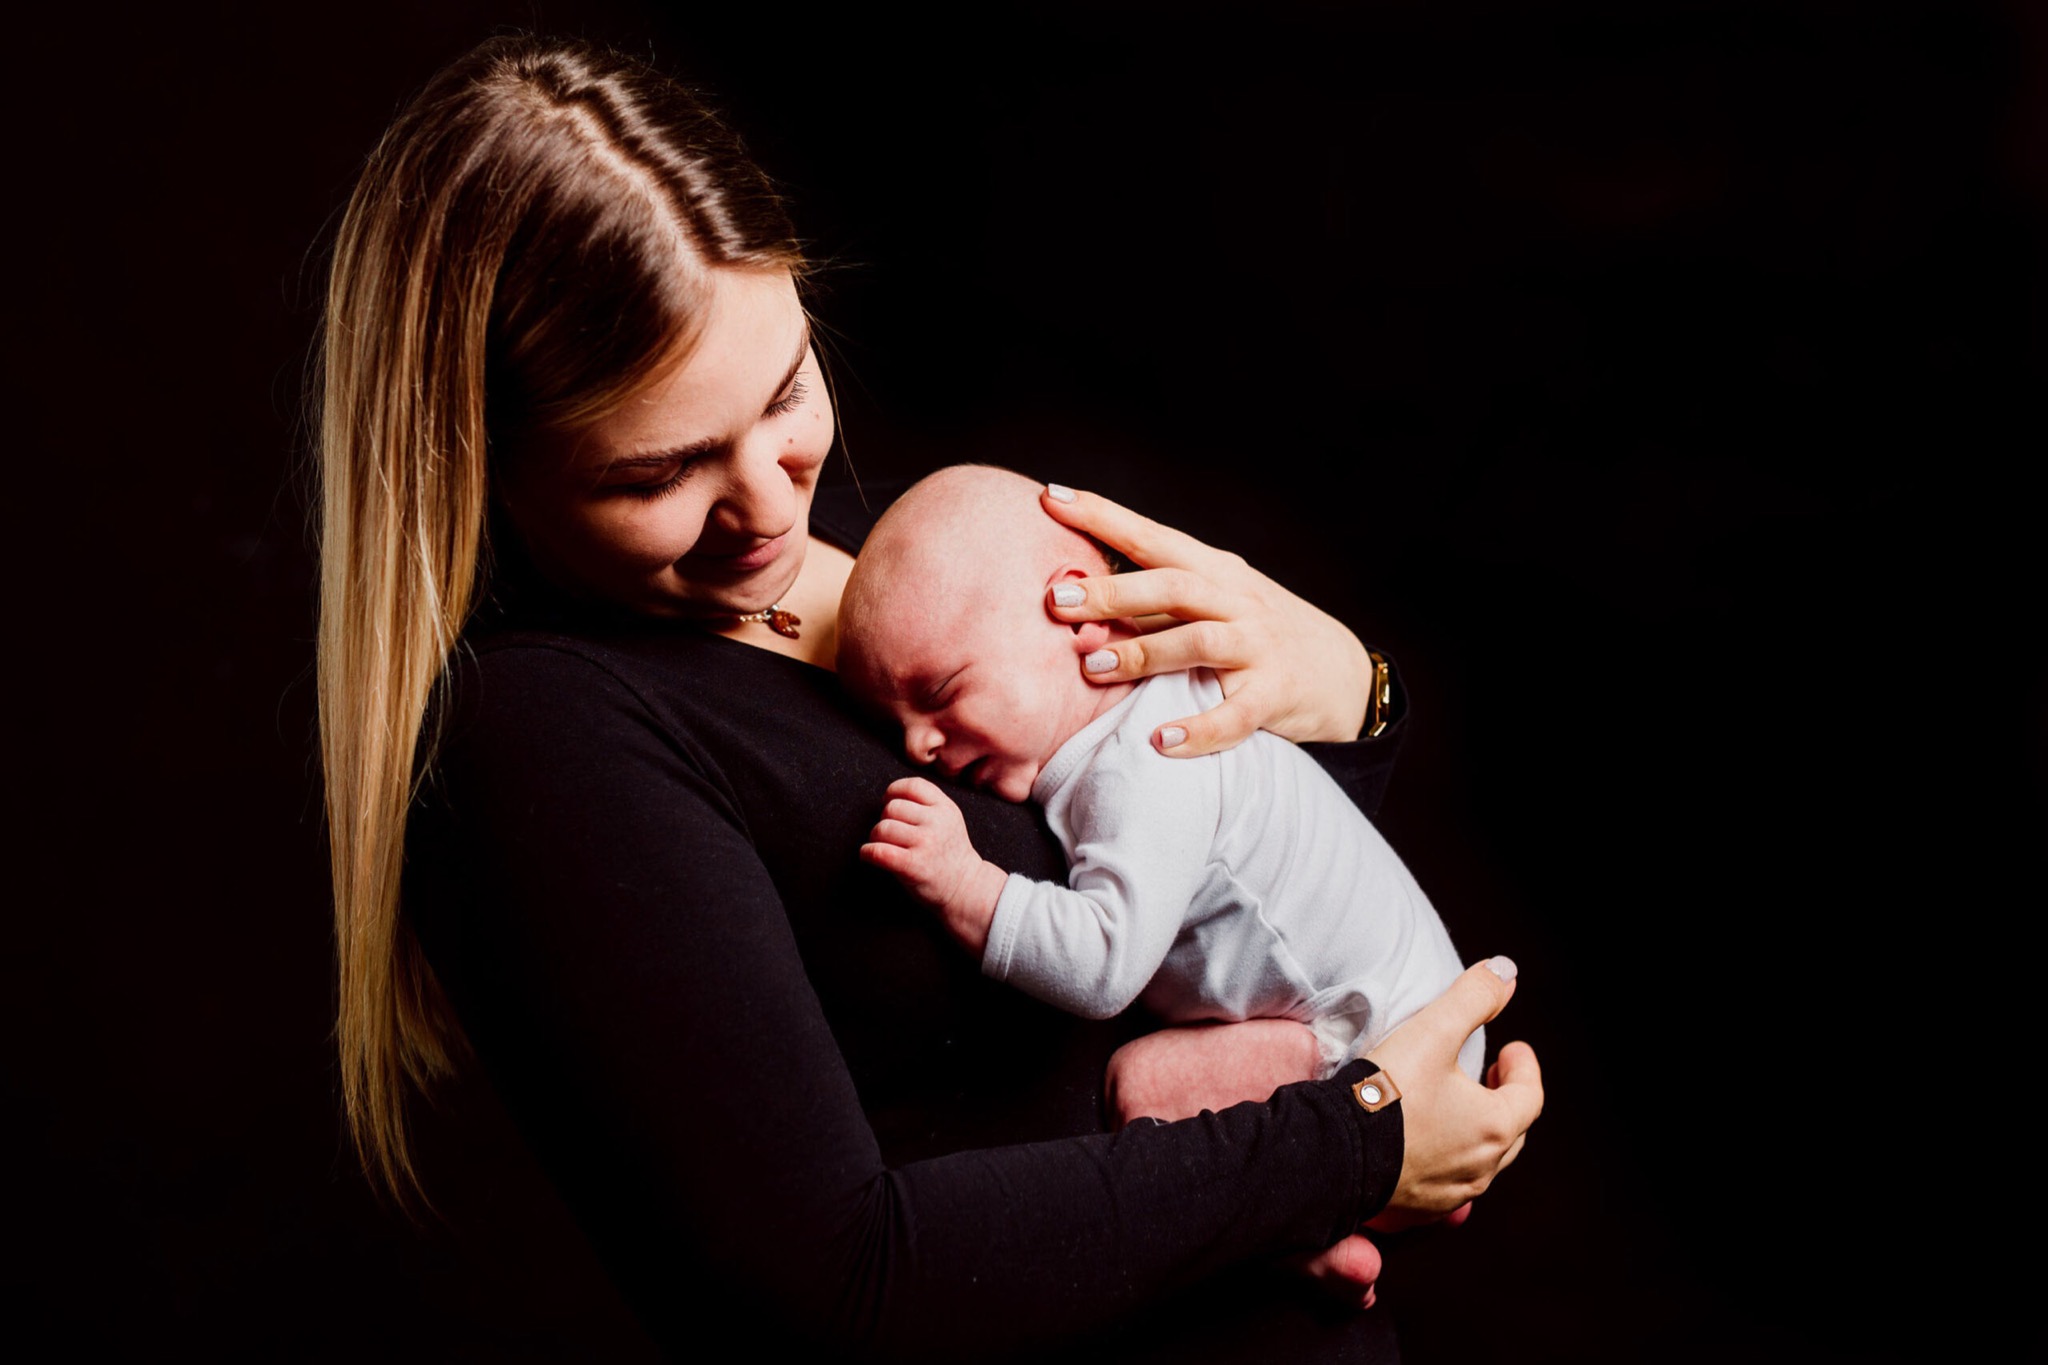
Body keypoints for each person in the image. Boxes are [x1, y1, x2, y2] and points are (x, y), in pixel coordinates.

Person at [315, 34, 1541, 1362]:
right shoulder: (547, 740)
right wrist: (1352, 1143)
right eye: (658, 473)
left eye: (785, 391)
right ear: (478, 462)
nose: (768, 504)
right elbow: (833, 1289)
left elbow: (1217, 913)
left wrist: (1341, 694)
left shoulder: (889, 551)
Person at [839, 465, 1483, 1091]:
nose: (918, 743)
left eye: (942, 690)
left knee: (1141, 1084)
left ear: (1078, 613)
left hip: (1398, 1037)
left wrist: (964, 883)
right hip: (1406, 1009)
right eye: (893, 724)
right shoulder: (1145, 712)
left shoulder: (1146, 757)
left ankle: (1376, 1173)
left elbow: (1102, 967)